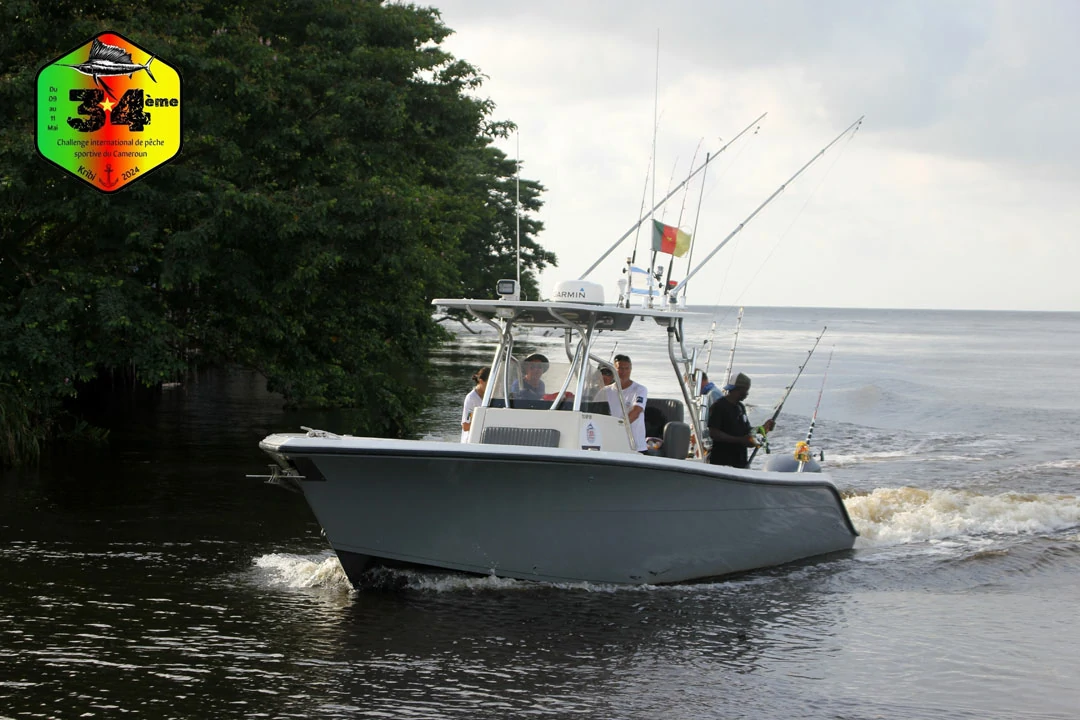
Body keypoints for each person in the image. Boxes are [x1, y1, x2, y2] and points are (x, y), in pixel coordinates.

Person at [707, 372, 775, 468]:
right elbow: (714, 433)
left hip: (740, 462)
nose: (747, 393)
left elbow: (747, 430)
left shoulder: (740, 407)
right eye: (746, 390)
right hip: (722, 463)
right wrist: (740, 440)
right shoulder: (719, 406)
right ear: (738, 389)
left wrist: (762, 428)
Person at [606, 353, 648, 452]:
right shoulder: (606, 391)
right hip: (611, 443)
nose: (623, 372)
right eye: (620, 368)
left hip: (635, 445)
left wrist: (619, 427)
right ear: (614, 370)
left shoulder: (640, 390)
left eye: (627, 368)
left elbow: (636, 411)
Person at [460, 367, 490, 442]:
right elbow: (466, 425)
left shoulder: (493, 396)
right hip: (470, 441)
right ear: (481, 381)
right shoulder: (471, 399)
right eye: (489, 384)